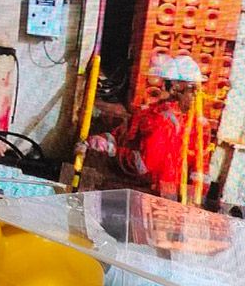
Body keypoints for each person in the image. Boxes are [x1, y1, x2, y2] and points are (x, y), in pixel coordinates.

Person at [79, 55, 209, 203]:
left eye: (197, 89)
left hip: (150, 197)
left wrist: (112, 150)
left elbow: (141, 166)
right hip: (157, 198)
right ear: (174, 88)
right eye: (192, 89)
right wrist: (102, 140)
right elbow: (124, 136)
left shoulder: (191, 125)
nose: (196, 95)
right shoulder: (155, 117)